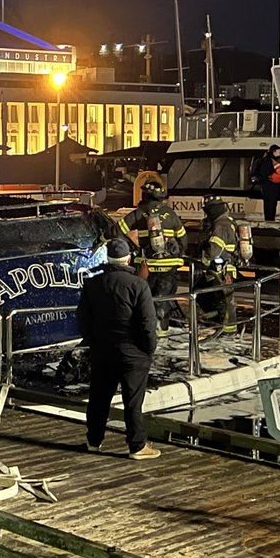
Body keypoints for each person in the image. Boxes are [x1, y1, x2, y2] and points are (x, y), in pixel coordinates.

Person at [77, 237, 161, 460]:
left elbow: (83, 320)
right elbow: (147, 323)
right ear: (128, 259)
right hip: (133, 352)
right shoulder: (138, 285)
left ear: (108, 259)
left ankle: (93, 441)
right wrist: (148, 349)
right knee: (132, 400)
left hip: (103, 349)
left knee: (99, 398)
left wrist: (94, 342)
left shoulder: (93, 284)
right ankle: (137, 445)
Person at [119, 180, 186, 337]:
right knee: (163, 302)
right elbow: (183, 239)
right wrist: (178, 255)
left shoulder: (138, 214)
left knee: (144, 302)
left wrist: (102, 240)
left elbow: (117, 230)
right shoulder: (171, 214)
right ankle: (162, 333)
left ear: (145, 195)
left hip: (147, 268)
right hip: (169, 267)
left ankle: (146, 334)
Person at [195, 196, 239, 334]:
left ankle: (226, 330)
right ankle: (218, 324)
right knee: (205, 294)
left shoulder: (220, 226)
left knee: (222, 301)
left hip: (220, 271)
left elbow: (214, 250)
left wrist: (204, 262)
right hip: (224, 268)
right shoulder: (227, 222)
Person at [250, 144, 280, 222]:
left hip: (271, 187)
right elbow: (265, 173)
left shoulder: (270, 160)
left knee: (271, 206)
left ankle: (270, 220)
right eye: (279, 150)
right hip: (270, 188)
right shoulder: (268, 161)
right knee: (270, 206)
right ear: (274, 151)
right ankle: (269, 222)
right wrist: (271, 178)